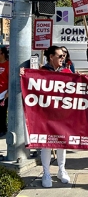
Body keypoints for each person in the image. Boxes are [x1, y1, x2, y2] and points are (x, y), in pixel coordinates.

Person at [20, 46, 72, 188]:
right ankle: (46, 173)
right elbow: (29, 82)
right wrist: (24, 74)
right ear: (51, 57)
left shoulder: (67, 72)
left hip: (62, 115)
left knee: (62, 143)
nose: (62, 58)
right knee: (46, 144)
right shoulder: (41, 72)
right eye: (60, 56)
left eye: (63, 56)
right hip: (46, 116)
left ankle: (62, 170)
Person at [0, 46, 9, 138]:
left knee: (2, 113)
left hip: (4, 93)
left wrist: (9, 92)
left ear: (3, 54)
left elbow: (11, 79)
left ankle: (3, 129)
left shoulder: (8, 65)